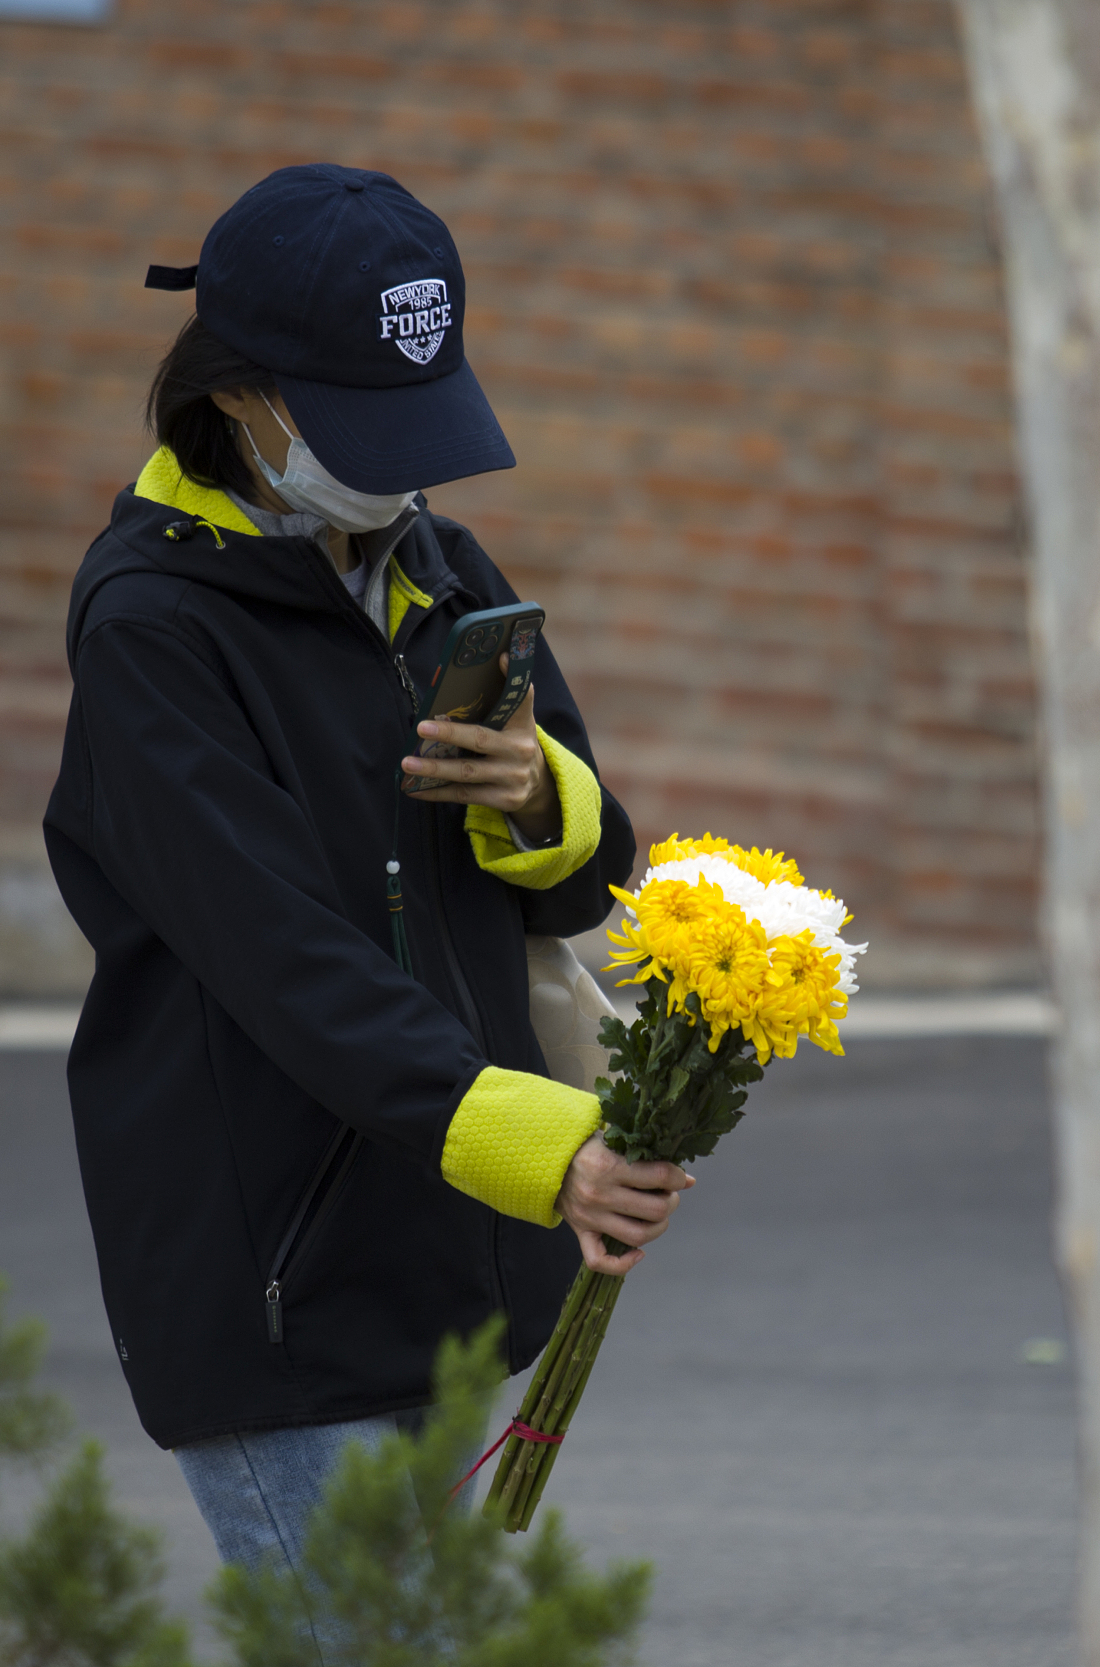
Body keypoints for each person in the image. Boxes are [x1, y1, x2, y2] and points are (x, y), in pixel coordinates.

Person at [43, 165, 697, 1598]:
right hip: (280, 1282)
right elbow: (285, 958)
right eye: (359, 428)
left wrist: (535, 791)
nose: (400, 472)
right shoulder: (152, 629)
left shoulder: (439, 567)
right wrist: (549, 1148)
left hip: (444, 1255)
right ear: (238, 396)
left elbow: (596, 864)